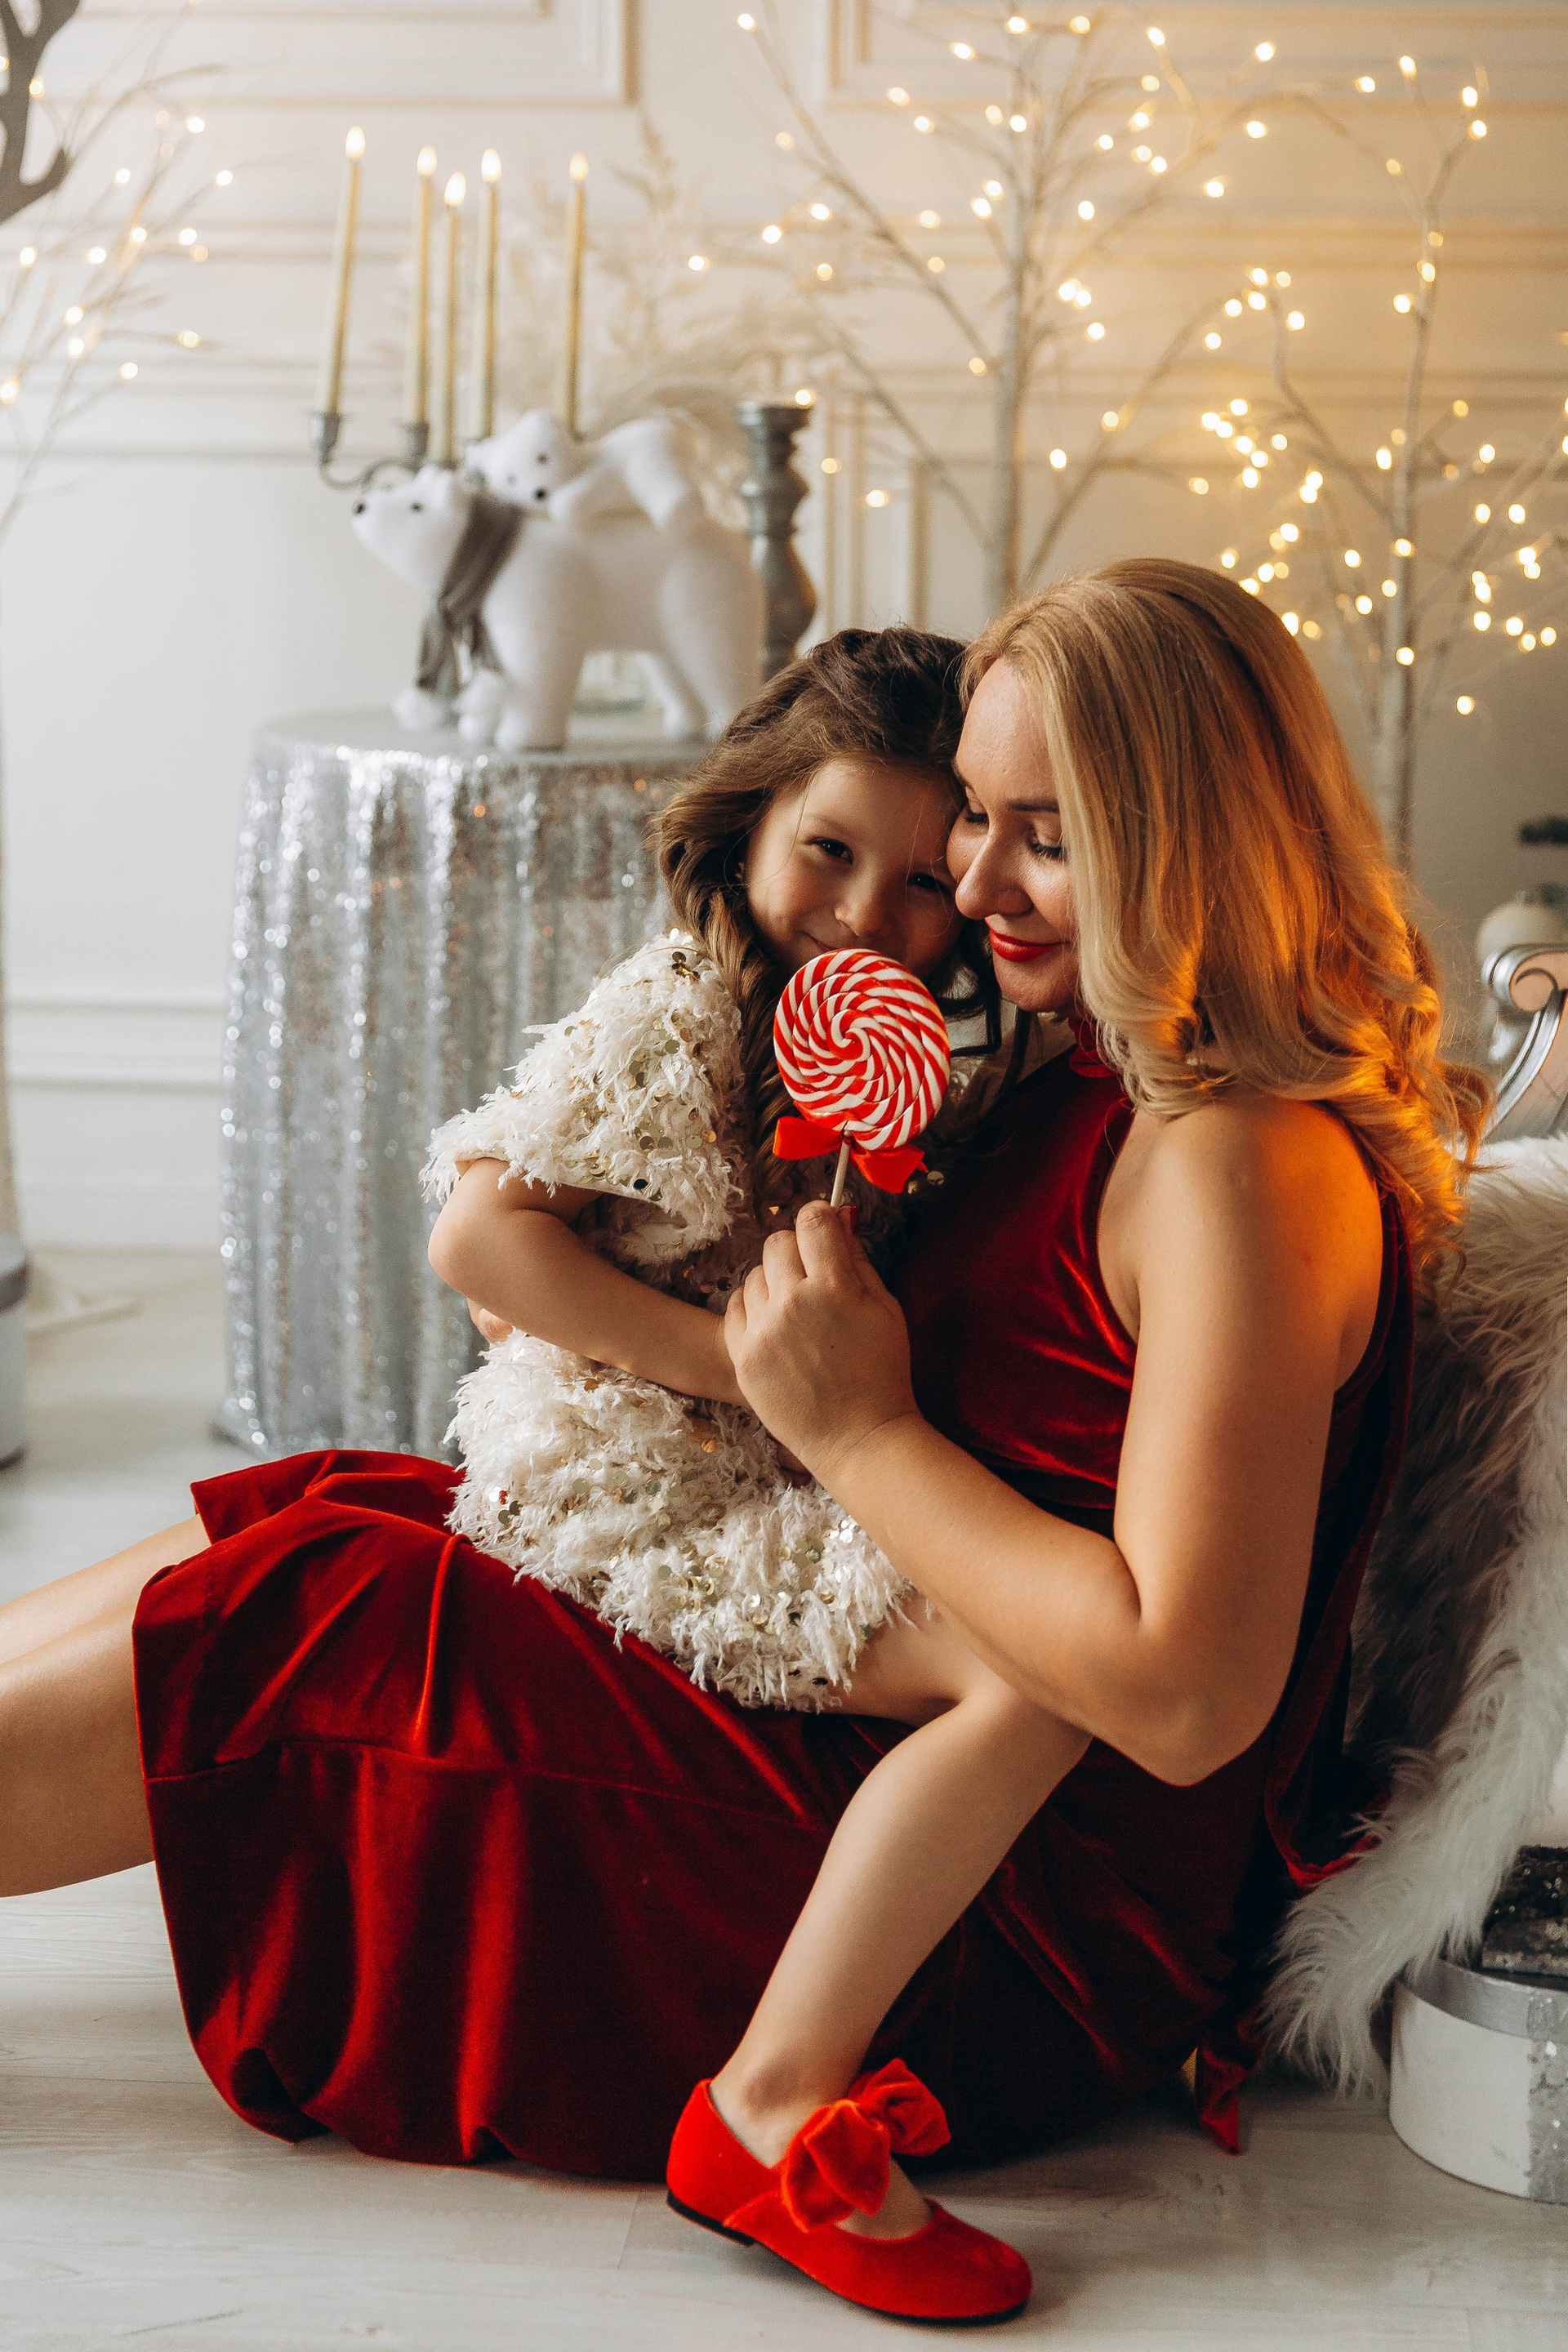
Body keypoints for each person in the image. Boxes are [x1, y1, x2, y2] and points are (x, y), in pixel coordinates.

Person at [0, 562, 1486, 2330]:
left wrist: (847, 1424)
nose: (972, 887)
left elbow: (1183, 1694)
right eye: (977, 822)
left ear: (1198, 849)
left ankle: (774, 2097)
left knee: (328, 1608)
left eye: (1046, 839)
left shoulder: (1238, 1167)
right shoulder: (1095, 1062)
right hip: (871, 1701)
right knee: (348, 1506)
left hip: (1002, 1907)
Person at [421, 626, 1011, 1709]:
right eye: (829, 850)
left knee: (1013, 1629)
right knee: (1009, 1662)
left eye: (926, 881)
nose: (866, 914)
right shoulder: (678, 1009)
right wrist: (744, 1370)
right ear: (748, 829)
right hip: (628, 1486)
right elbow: (476, 1239)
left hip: (789, 1469)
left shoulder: (904, 1067)